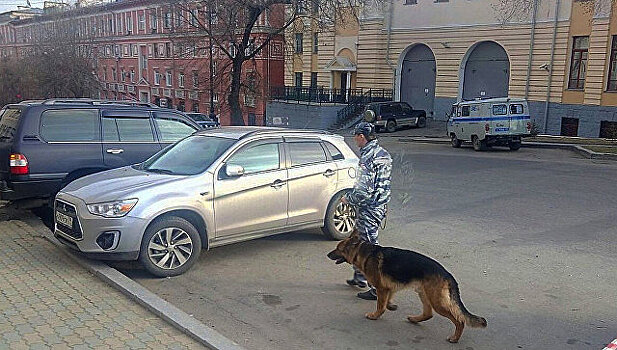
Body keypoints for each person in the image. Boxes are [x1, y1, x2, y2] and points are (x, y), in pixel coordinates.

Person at [342, 121, 392, 300]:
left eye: (356, 135)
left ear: (362, 136)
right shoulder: (382, 153)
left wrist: (348, 198)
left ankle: (376, 288)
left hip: (370, 208)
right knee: (360, 241)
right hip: (379, 206)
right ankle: (360, 276)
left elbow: (365, 190)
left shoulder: (368, 157)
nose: (354, 139)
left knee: (370, 249)